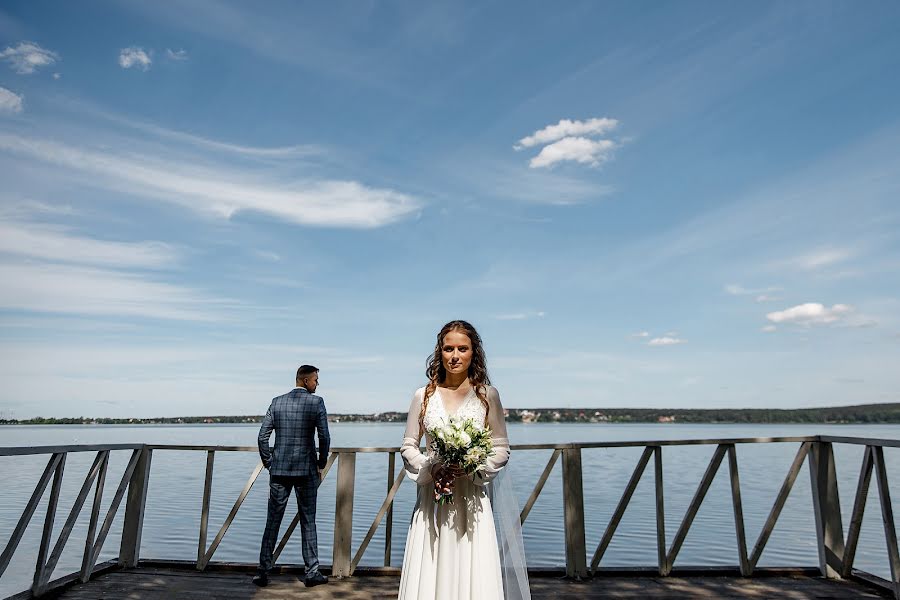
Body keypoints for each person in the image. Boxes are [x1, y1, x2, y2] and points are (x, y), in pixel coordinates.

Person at [398, 320, 530, 600]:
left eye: (462, 348)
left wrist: (474, 469)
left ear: (474, 353)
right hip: (432, 500)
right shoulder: (423, 396)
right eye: (448, 348)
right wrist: (430, 467)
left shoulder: (487, 396)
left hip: (472, 500)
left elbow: (501, 447)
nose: (454, 355)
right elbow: (409, 444)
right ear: (440, 352)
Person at [254, 365, 330, 588]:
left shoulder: (276, 402)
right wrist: (321, 462)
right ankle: (312, 572)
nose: (317, 383)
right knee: (309, 522)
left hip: (279, 471)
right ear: (305, 381)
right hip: (306, 471)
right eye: (316, 379)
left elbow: (262, 437)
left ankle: (262, 572)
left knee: (272, 521)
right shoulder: (316, 403)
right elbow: (324, 437)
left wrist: (270, 462)